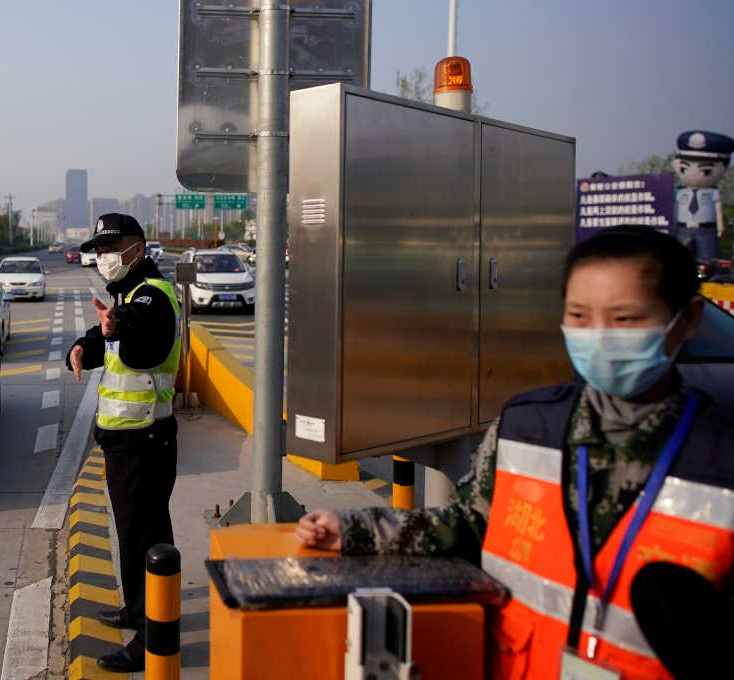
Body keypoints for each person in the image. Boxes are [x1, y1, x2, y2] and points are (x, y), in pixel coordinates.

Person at [297, 227, 732, 680]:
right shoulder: (528, 429)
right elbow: (468, 524)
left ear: (687, 320)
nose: (598, 337)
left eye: (624, 319)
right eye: (579, 316)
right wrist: (355, 531)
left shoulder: (721, 460)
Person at [66, 213, 181, 673]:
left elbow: (134, 325)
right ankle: (138, 611)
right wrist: (81, 345)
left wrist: (117, 325)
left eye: (110, 250)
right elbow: (106, 335)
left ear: (136, 248)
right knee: (134, 535)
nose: (102, 258)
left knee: (145, 537)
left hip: (145, 441)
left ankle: (153, 638)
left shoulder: (152, 296)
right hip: (126, 443)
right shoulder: (128, 293)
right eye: (97, 250)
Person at [672, 130, 732, 261]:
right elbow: (675, 209)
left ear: (725, 169)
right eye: (685, 168)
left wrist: (720, 226)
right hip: (683, 228)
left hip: (706, 230)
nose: (693, 174)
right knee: (679, 260)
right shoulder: (681, 192)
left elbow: (718, 209)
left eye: (706, 170)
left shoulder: (713, 192)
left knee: (708, 258)